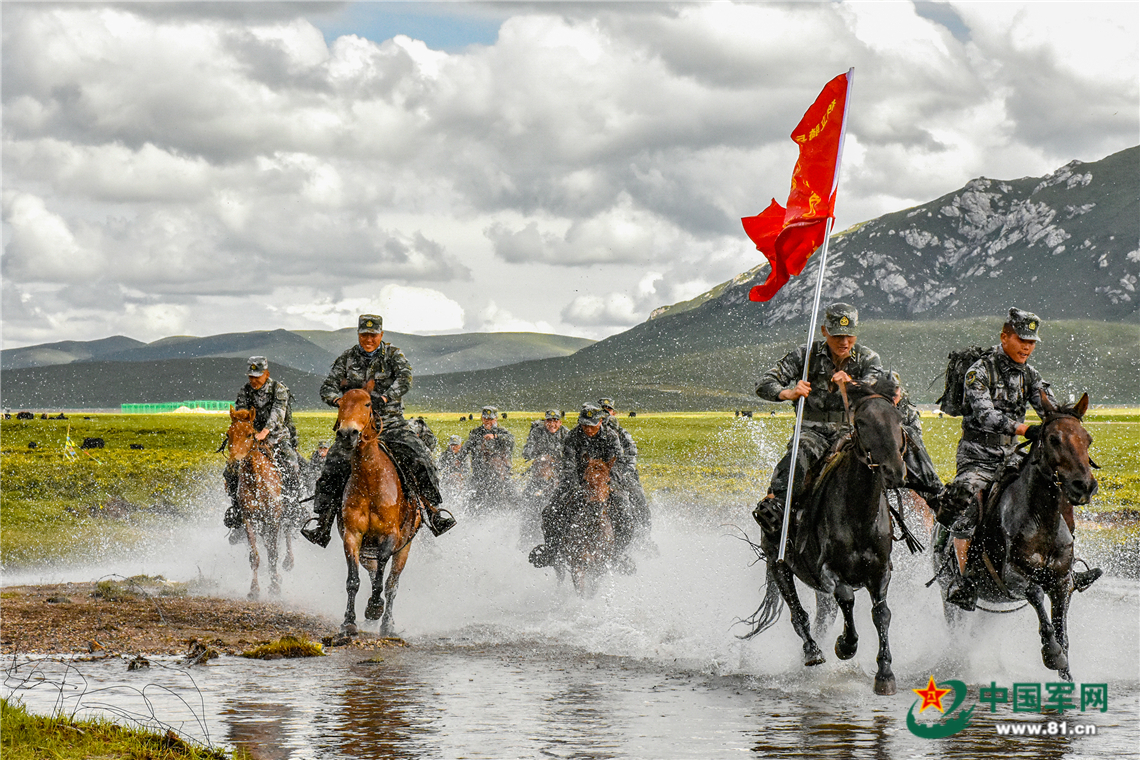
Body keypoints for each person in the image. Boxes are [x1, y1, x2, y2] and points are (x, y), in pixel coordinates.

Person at [935, 308, 1102, 609]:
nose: (1027, 347)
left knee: (1056, 495)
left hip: (1014, 456)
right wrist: (1025, 428)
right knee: (967, 503)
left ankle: (1067, 569)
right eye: (1022, 339)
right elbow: (985, 414)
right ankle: (964, 581)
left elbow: (1048, 411)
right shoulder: (980, 371)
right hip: (978, 457)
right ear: (1005, 336)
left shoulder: (1031, 376)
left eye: (1032, 342)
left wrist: (1065, 427)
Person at [300, 315, 455, 547]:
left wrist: (385, 397)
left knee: (420, 455)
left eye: (373, 335)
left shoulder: (393, 355)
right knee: (333, 461)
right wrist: (340, 401)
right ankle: (322, 521)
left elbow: (405, 378)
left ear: (381, 335)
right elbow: (327, 387)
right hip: (356, 429)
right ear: (359, 335)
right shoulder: (347, 358)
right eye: (364, 335)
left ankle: (433, 511)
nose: (368, 339)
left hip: (390, 423)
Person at [752, 303, 884, 540]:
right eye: (837, 336)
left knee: (887, 462)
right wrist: (788, 393)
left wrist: (852, 384)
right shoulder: (805, 355)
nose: (844, 342)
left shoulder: (868, 358)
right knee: (800, 452)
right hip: (812, 432)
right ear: (824, 331)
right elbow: (764, 383)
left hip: (852, 433)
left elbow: (878, 390)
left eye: (849, 335)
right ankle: (779, 508)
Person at [529, 403, 635, 572]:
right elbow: (569, 465)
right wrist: (577, 485)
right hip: (578, 480)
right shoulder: (572, 437)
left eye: (592, 426)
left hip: (605, 480)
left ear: (600, 422)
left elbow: (618, 462)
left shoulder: (611, 435)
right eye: (585, 425)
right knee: (550, 511)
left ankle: (618, 555)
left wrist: (605, 481)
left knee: (626, 514)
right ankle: (551, 551)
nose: (588, 429)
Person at [223, 356, 303, 540]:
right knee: (230, 470)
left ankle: (292, 507)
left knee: (292, 464)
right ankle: (237, 511)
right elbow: (242, 414)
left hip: (276, 437)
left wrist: (265, 432)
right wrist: (246, 430)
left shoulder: (279, 389)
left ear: (266, 374)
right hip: (251, 439)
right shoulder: (244, 391)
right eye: (251, 376)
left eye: (257, 376)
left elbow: (278, 413)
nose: (253, 380)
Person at [598, 398, 652, 540]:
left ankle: (644, 535)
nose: (605, 413)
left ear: (613, 412)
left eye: (608, 409)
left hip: (622, 473)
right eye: (602, 410)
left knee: (637, 496)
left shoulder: (622, 433)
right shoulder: (591, 432)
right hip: (598, 474)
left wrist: (624, 471)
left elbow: (631, 453)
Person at [520, 410, 570, 541]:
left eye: (555, 421)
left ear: (560, 422)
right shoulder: (537, 432)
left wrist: (559, 458)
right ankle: (525, 534)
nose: (552, 424)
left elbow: (572, 454)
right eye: (549, 421)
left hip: (561, 474)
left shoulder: (566, 433)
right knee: (527, 499)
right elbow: (527, 452)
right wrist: (539, 454)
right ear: (545, 421)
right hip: (540, 474)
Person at [456, 406, 517, 512]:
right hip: (479, 474)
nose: (487, 421)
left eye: (490, 419)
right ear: (482, 418)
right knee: (470, 501)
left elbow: (511, 440)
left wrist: (495, 436)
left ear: (496, 418)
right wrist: (458, 459)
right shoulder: (476, 432)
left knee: (511, 497)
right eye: (485, 418)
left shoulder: (502, 432)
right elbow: (467, 446)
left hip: (499, 475)